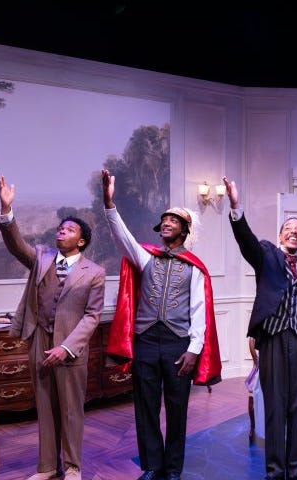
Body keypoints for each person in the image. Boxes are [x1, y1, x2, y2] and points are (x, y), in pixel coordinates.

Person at [101, 169, 221, 480]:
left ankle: (173, 468)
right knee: (145, 408)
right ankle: (152, 465)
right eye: (164, 220)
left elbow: (199, 312)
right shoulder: (145, 257)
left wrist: (194, 350)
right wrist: (109, 202)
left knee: (177, 409)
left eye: (173, 220)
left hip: (178, 345)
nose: (166, 223)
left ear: (184, 229)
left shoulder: (195, 268)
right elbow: (122, 235)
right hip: (145, 341)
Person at [0, 176, 106, 480]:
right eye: (61, 227)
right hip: (39, 340)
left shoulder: (94, 272)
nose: (62, 230)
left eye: (70, 229)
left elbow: (92, 316)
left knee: (71, 411)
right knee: (44, 408)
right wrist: (7, 210)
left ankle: (72, 468)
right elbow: (16, 245)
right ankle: (46, 467)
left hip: (70, 348)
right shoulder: (41, 257)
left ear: (81, 241)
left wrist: (66, 347)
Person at [223, 176, 297, 479]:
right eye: (289, 229)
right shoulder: (266, 255)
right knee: (276, 407)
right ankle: (275, 471)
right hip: (274, 340)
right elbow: (246, 240)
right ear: (280, 236)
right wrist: (235, 205)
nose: (294, 233)